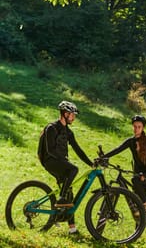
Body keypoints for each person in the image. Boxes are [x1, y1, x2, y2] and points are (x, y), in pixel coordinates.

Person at [41, 100, 93, 234]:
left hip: (60, 162)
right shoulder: (51, 128)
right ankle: (61, 198)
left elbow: (78, 149)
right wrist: (64, 162)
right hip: (50, 161)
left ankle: (72, 228)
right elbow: (49, 150)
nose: (74, 117)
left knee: (70, 195)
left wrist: (91, 163)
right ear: (65, 114)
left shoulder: (68, 132)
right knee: (73, 169)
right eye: (72, 115)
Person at [103, 115, 146, 215]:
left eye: (139, 127)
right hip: (138, 173)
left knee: (135, 181)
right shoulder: (131, 141)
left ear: (143, 128)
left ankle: (145, 205)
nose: (136, 129)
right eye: (134, 126)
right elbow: (118, 149)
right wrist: (104, 157)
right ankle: (142, 219)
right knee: (135, 195)